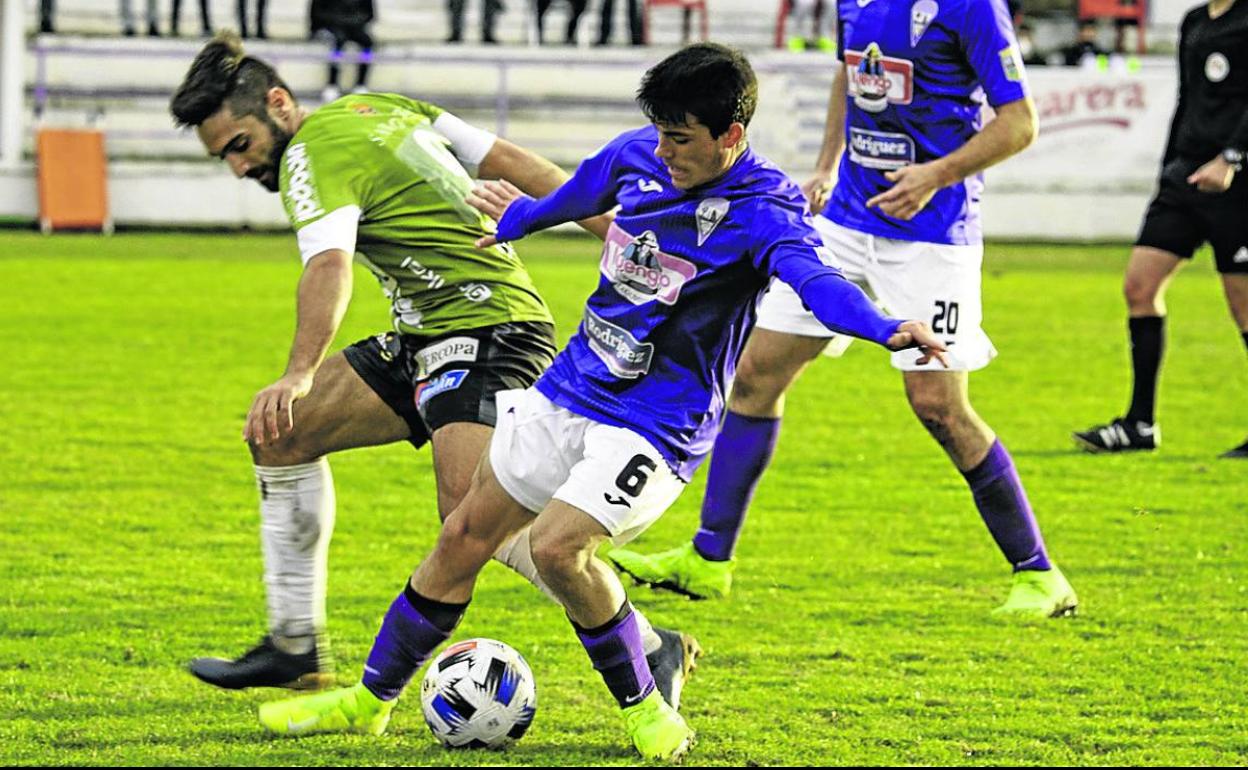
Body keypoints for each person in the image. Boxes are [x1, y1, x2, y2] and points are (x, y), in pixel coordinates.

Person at [251, 42, 947, 762]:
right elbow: (584, 191)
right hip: (571, 386)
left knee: (558, 549)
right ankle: (367, 704)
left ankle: (645, 707)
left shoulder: (765, 213)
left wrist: (883, 326)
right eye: (660, 133)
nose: (664, 150)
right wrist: (523, 219)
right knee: (462, 536)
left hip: (654, 425)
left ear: (730, 137)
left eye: (681, 139)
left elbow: (818, 284)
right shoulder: (639, 155)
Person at [168, 32, 697, 701]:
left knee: (474, 518)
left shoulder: (309, 156)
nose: (239, 168)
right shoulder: (378, 106)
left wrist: (298, 369)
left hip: (489, 330)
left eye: (240, 146)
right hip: (428, 332)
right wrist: (619, 236)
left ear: (278, 103)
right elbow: (508, 162)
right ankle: (294, 645)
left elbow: (328, 267)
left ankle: (652, 646)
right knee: (281, 434)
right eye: (224, 158)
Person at [609, 0, 1080, 620]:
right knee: (754, 375)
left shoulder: (972, 7)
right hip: (847, 221)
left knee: (938, 405)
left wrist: (936, 174)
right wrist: (828, 163)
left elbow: (1019, 124)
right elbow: (848, 74)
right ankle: (708, 559)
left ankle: (1040, 575)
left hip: (932, 231)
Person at [1074, 0, 1248, 458]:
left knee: (1244, 308)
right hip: (1184, 177)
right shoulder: (1194, 20)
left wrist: (1232, 157)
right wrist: (1168, 166)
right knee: (1139, 285)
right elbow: (1187, 99)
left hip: (1237, 183)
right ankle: (1140, 423)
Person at [310, 0, 375, 101]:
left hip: (355, 26)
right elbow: (317, 14)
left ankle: (361, 84)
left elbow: (370, 14)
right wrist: (338, 21)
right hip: (331, 27)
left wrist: (354, 21)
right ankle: (332, 84)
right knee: (337, 44)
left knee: (368, 44)